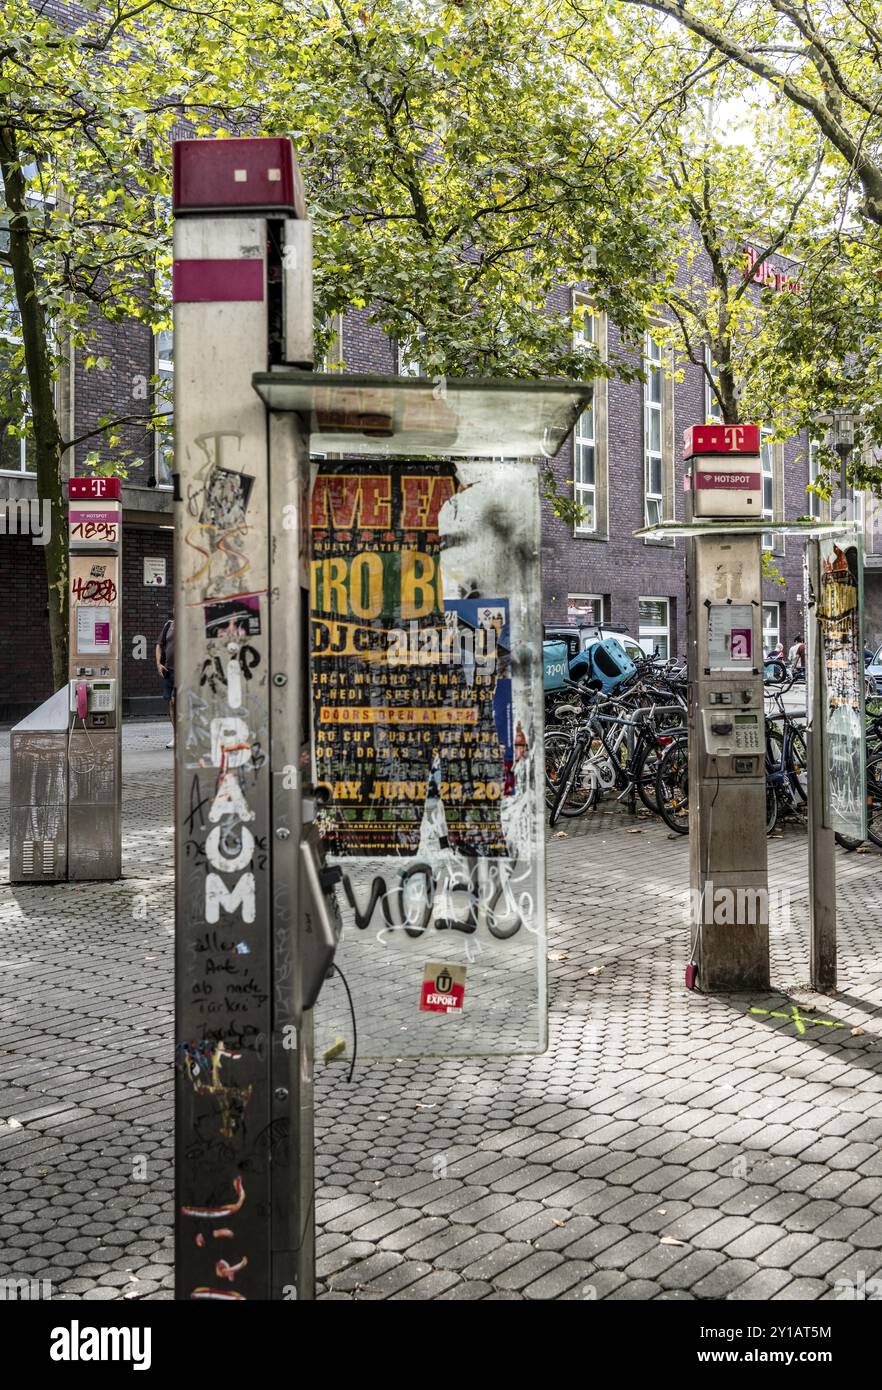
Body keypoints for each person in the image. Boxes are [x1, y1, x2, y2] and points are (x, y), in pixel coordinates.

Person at [156, 616, 175, 748]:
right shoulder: (168, 625)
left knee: (175, 700)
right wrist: (158, 664)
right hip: (169, 671)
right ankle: (176, 735)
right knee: (171, 703)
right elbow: (159, 645)